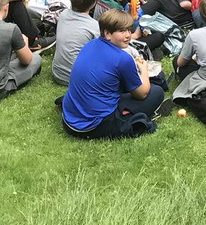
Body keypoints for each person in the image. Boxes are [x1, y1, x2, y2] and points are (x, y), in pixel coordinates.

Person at [61, 9, 164, 139]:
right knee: (156, 92)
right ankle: (127, 116)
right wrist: (144, 69)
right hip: (94, 126)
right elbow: (142, 94)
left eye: (129, 29)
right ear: (107, 33)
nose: (128, 35)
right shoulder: (123, 58)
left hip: (70, 118)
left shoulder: (90, 44)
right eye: (122, 31)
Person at [51, 0, 101, 86]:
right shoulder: (94, 26)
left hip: (57, 73)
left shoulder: (63, 14)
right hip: (78, 79)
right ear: (93, 4)